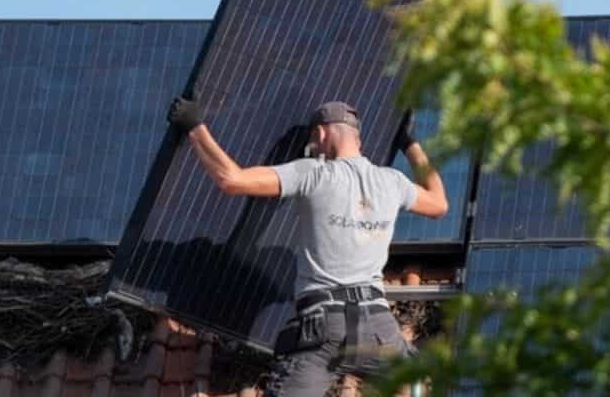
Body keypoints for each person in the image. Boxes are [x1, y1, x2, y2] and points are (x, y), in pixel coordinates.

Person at [167, 96, 448, 396]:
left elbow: (231, 179)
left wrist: (194, 126)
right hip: (378, 328)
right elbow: (439, 204)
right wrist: (409, 143)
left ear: (322, 133)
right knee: (416, 380)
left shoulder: (313, 173)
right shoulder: (393, 182)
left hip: (325, 328)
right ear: (357, 138)